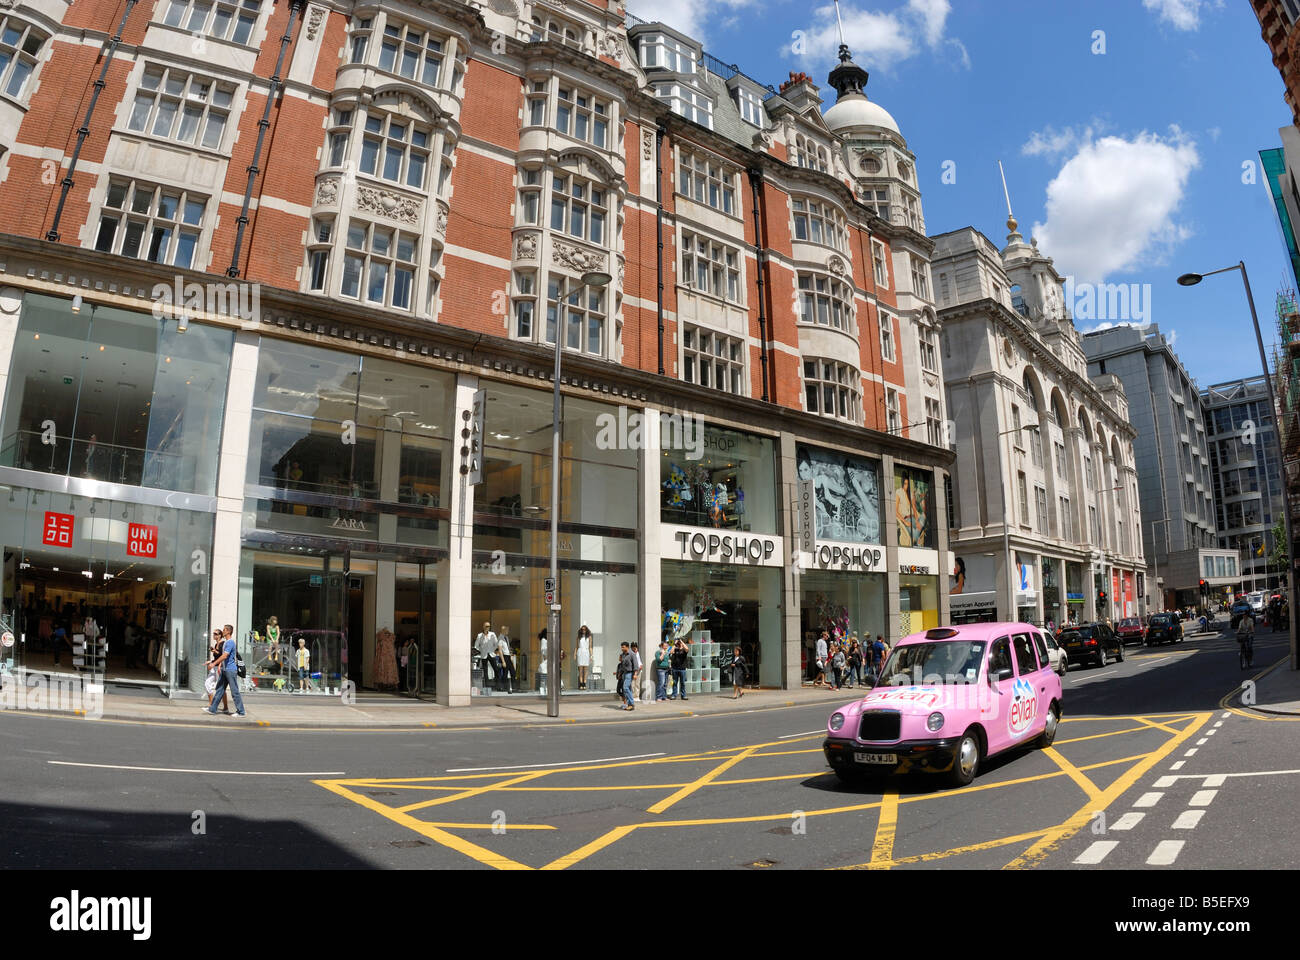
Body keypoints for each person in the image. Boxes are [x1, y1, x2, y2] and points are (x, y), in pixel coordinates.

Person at [204, 623, 246, 717]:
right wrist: (220, 666)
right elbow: (224, 658)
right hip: (224, 669)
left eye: (224, 630)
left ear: (228, 631)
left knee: (234, 691)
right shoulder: (226, 643)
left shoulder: (230, 642)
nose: (223, 631)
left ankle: (241, 712)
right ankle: (213, 709)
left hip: (230, 670)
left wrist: (214, 664)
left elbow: (225, 656)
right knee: (219, 689)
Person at [205, 629, 230, 714]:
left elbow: (223, 656)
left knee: (221, 688)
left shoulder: (223, 644)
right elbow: (216, 657)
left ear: (220, 635)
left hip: (219, 668)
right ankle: (211, 704)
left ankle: (226, 707)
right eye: (213, 633)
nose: (214, 635)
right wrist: (210, 662)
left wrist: (214, 651)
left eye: (216, 634)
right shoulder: (216, 644)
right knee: (207, 683)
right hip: (214, 667)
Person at [474, 622, 497, 690]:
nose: (488, 627)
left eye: (489, 626)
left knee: (496, 669)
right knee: (485, 670)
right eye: (486, 626)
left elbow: (496, 644)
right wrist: (481, 651)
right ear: (483, 627)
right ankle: (487, 686)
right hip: (484, 655)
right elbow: (476, 646)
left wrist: (492, 649)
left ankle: (497, 684)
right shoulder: (480, 635)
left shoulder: (492, 634)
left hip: (491, 654)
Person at [374, 627, 398, 691]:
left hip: (390, 657)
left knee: (390, 670)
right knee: (383, 669)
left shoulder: (392, 637)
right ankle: (382, 685)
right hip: (383, 657)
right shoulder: (380, 637)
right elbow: (378, 648)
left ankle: (390, 685)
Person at [496, 626, 514, 694]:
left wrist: (511, 655)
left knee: (513, 672)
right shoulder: (500, 638)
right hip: (504, 657)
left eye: (508, 629)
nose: (508, 631)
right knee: (505, 673)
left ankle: (512, 687)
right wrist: (503, 661)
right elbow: (500, 651)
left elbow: (508, 648)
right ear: (503, 630)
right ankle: (504, 687)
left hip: (508, 656)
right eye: (507, 630)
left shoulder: (506, 637)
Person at [618, 642, 635, 710]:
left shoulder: (632, 654)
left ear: (627, 647)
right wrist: (620, 673)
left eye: (623, 647)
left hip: (629, 673)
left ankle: (631, 703)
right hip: (624, 673)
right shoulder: (623, 655)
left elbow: (635, 665)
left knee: (625, 688)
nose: (622, 648)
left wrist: (635, 674)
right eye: (621, 647)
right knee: (628, 689)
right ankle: (629, 704)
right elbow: (622, 665)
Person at [575, 625, 593, 690]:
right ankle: (581, 683)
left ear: (587, 630)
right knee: (580, 669)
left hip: (586, 652)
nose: (583, 631)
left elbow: (590, 647)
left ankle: (584, 683)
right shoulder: (578, 637)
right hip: (580, 652)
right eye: (582, 629)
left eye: (585, 629)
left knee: (585, 669)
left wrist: (591, 655)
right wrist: (575, 655)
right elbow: (576, 647)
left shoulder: (589, 637)